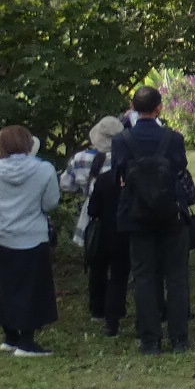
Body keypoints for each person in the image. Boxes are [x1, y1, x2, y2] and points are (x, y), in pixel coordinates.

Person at [110, 85, 194, 355]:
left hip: (137, 214)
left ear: (132, 108)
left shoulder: (122, 140)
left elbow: (118, 175)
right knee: (177, 276)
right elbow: (180, 169)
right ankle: (179, 337)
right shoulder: (173, 138)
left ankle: (149, 339)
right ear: (159, 107)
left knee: (144, 277)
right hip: (170, 212)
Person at [0, 124, 60, 356]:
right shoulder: (44, 169)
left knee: (4, 287)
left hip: (1, 235)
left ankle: (10, 336)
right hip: (32, 235)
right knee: (31, 290)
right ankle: (27, 342)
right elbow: (50, 202)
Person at [71, 114, 129, 335]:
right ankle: (117, 308)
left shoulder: (81, 159)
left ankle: (97, 309)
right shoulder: (124, 161)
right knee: (120, 270)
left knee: (96, 265)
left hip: (93, 217)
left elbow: (66, 184)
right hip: (120, 216)